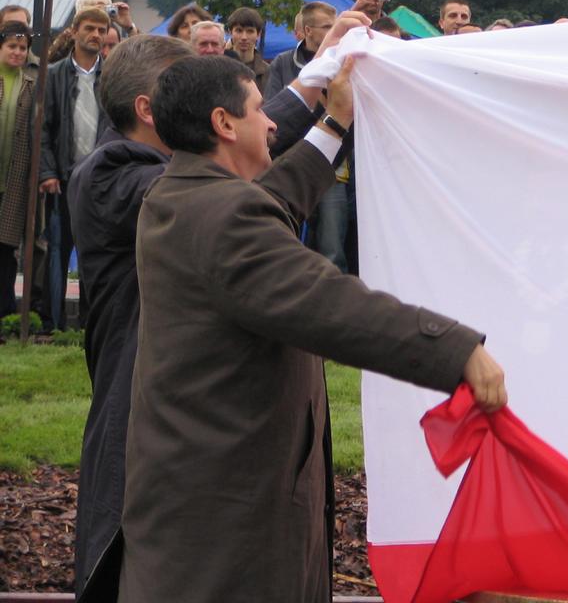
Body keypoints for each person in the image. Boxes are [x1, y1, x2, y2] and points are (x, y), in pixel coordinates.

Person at [115, 47, 506, 602]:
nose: (271, 122)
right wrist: (454, 350)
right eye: (258, 109)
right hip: (229, 529)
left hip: (200, 504)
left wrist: (335, 121)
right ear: (224, 123)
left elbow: (270, 202)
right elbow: (327, 303)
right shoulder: (224, 217)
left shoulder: (182, 195)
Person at [68, 29, 336, 600]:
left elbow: (245, 161)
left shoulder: (175, 174)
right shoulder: (115, 175)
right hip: (147, 433)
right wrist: (330, 120)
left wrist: (320, 71)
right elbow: (246, 198)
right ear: (150, 109)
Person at [39, 7, 111, 330]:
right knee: (57, 250)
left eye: (101, 30)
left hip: (99, 180)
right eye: (89, 28)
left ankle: (89, 325)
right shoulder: (53, 74)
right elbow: (42, 128)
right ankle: (52, 324)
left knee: (94, 253)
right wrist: (47, 172)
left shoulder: (111, 76)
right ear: (75, 30)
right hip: (62, 178)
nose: (95, 35)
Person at [0, 21, 34, 317]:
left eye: (23, 48)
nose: (18, 52)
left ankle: (6, 312)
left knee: (6, 248)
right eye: (12, 46)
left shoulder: (31, 85)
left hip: (14, 180)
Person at [265, 1, 337, 100]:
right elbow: (271, 105)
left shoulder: (342, 61)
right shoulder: (282, 62)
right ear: (308, 30)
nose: (334, 31)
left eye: (335, 27)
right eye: (327, 27)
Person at [226, 6, 270, 94]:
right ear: (230, 32)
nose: (244, 37)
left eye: (250, 31)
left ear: (258, 34)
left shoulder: (269, 72)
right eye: (239, 31)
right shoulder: (218, 67)